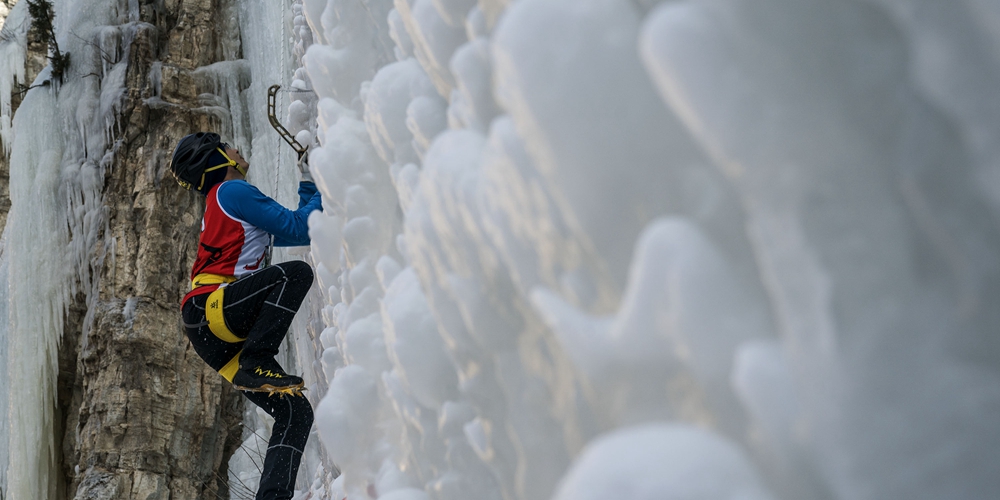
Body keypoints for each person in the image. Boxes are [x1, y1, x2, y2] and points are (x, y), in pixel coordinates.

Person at [170, 131, 321, 500]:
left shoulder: (224, 202)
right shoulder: (232, 191)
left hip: (211, 330)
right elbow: (299, 227)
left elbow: (297, 226)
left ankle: (272, 496)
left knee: (294, 412)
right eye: (229, 146)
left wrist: (307, 180)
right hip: (213, 309)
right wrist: (321, 177)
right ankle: (257, 357)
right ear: (220, 159)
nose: (238, 149)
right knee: (295, 274)